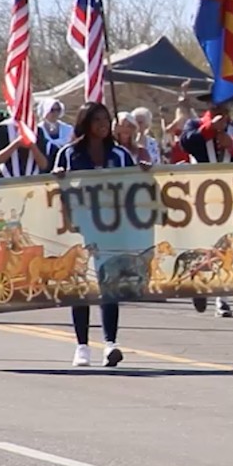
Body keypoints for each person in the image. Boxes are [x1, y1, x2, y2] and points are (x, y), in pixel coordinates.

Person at [52, 101, 140, 368]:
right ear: (85, 123)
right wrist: (58, 178)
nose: (104, 125)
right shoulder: (68, 154)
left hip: (111, 228)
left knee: (109, 284)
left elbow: (132, 185)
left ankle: (110, 343)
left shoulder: (120, 155)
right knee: (81, 286)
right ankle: (82, 346)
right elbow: (55, 188)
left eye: (106, 120)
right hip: (79, 228)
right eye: (98, 120)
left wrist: (143, 171)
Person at [178, 90, 233, 317]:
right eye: (215, 108)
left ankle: (222, 297)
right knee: (204, 242)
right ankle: (200, 282)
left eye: (224, 108)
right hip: (200, 193)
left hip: (230, 194)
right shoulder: (194, 126)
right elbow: (186, 144)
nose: (220, 112)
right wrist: (209, 130)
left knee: (224, 247)